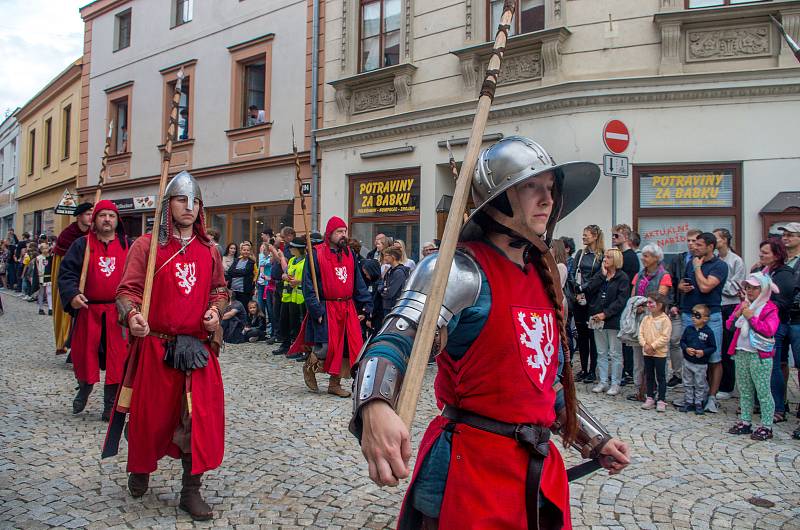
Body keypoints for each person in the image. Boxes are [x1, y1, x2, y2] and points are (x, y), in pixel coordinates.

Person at [349, 137, 629, 529]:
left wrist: (594, 439)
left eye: (550, 188)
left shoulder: (545, 278)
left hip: (536, 480)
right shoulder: (460, 271)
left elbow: (544, 386)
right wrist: (375, 407)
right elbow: (396, 339)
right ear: (500, 198)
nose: (546, 199)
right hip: (471, 473)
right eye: (532, 186)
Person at [104, 170, 228, 521]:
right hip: (156, 349)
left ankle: (191, 490)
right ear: (167, 204)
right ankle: (140, 468)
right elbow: (126, 291)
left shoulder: (209, 250)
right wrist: (132, 317)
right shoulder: (146, 247)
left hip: (197, 350)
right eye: (181, 199)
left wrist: (214, 312)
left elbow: (219, 290)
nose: (188, 207)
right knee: (150, 419)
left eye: (195, 201)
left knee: (198, 420)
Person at [58, 200, 132, 420]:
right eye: (102, 215)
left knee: (118, 360)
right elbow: (67, 273)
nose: (107, 219)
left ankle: (110, 405)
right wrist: (72, 295)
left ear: (117, 220)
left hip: (118, 313)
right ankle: (85, 387)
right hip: (89, 310)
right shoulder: (82, 244)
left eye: (111, 215)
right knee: (84, 356)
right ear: (95, 219)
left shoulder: (128, 245)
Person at [291, 216, 373, 397]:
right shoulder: (316, 254)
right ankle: (309, 367)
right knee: (326, 348)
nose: (343, 235)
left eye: (345, 231)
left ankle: (334, 384)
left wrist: (366, 304)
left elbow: (358, 282)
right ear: (330, 234)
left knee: (346, 347)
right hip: (326, 307)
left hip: (347, 307)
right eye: (339, 232)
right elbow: (308, 285)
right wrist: (315, 309)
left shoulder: (349, 254)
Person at [726, 272, 779, 441]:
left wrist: (751, 317)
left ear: (763, 289)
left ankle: (766, 425)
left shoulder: (770, 307)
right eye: (747, 287)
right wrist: (737, 315)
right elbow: (729, 326)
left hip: (759, 354)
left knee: (763, 391)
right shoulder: (743, 305)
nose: (749, 291)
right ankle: (746, 421)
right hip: (741, 351)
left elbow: (769, 329)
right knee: (745, 390)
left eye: (754, 288)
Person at [678, 232, 727, 413]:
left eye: (699, 245)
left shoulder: (719, 266)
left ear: (710, 246)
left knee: (713, 358)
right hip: (689, 313)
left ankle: (711, 398)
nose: (694, 247)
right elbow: (683, 283)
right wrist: (681, 287)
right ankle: (691, 397)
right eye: (694, 244)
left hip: (710, 315)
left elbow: (706, 287)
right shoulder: (691, 262)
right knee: (689, 354)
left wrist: (698, 268)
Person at [753, 238, 794, 423]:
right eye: (761, 252)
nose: (762, 255)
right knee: (758, 366)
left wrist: (760, 303)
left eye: (766, 252)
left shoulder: (784, 274)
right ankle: (761, 403)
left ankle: (778, 408)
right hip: (757, 323)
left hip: (775, 326)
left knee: (773, 367)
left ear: (777, 255)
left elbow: (783, 302)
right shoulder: (761, 271)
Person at [580, 248, 629, 396]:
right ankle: (602, 381)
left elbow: (621, 301)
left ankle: (615, 382)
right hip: (596, 318)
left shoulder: (622, 278)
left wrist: (606, 314)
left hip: (612, 319)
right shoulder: (601, 275)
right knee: (601, 352)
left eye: (608, 258)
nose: (604, 260)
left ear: (615, 260)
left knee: (615, 352)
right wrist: (601, 276)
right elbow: (589, 289)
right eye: (604, 257)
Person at [627, 243, 672, 402]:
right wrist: (636, 306)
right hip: (640, 318)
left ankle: (657, 392)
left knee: (657, 355)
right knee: (639, 357)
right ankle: (639, 389)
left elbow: (660, 297)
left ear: (656, 258)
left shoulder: (664, 275)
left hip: (657, 319)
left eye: (646, 256)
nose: (643, 258)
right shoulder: (639, 275)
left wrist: (644, 304)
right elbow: (632, 296)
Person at [52, 203, 94, 354]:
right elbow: (64, 266)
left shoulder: (94, 233)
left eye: (92, 214)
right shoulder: (67, 235)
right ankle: (64, 341)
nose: (91, 217)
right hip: (71, 275)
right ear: (78, 216)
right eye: (87, 214)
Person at [569, 224, 605, 384]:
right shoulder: (580, 254)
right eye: (583, 235)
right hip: (579, 299)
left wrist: (585, 288)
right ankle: (583, 369)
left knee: (592, 336)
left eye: (586, 235)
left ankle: (592, 370)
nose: (583, 237)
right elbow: (572, 272)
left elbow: (599, 277)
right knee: (582, 335)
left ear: (595, 236)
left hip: (593, 299)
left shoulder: (601, 256)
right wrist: (576, 289)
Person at [668, 228, 701, 393]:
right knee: (674, 340)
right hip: (679, 306)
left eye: (694, 240)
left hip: (697, 308)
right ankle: (677, 373)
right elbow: (673, 282)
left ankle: (695, 380)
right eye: (688, 240)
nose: (691, 244)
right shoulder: (679, 259)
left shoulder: (702, 260)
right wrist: (673, 302)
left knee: (693, 343)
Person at [713, 228, 745, 399]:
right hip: (717, 304)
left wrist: (716, 283)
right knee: (716, 345)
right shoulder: (716, 259)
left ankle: (728, 385)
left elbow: (736, 287)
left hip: (730, 306)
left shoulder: (736, 261)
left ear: (725, 240)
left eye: (717, 238)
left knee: (727, 346)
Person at [613, 224, 640, 386]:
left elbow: (629, 283)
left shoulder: (630, 257)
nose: (614, 238)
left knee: (626, 339)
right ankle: (625, 370)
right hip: (618, 300)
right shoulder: (620, 255)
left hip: (624, 301)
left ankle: (628, 371)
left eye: (617, 236)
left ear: (626, 237)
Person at [780, 223, 800, 436]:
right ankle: (781, 402)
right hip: (780, 317)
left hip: (796, 316)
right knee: (781, 362)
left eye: (791, 235)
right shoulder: (781, 262)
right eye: (784, 235)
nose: (786, 238)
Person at [679, 304, 716, 415]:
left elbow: (713, 347)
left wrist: (703, 352)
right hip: (688, 361)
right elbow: (682, 341)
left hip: (701, 363)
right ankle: (689, 401)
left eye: (697, 315)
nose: (694, 318)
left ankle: (699, 402)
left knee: (700, 383)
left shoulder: (708, 332)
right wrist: (686, 349)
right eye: (693, 315)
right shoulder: (689, 329)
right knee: (687, 382)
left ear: (705, 318)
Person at [639, 293, 672, 412]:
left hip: (659, 353)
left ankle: (661, 399)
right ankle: (650, 397)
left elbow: (665, 337)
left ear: (659, 305)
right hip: (647, 352)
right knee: (649, 375)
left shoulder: (665, 320)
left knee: (661, 376)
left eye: (650, 302)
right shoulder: (646, 318)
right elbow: (641, 334)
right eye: (647, 303)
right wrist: (645, 345)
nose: (648, 305)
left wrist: (653, 346)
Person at [280, 236, 307, 359]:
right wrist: (285, 275)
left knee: (300, 324)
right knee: (289, 322)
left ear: (298, 249)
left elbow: (309, 278)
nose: (290, 249)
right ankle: (289, 346)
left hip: (301, 297)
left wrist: (299, 282)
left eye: (292, 247)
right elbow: (287, 271)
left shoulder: (306, 261)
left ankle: (301, 349)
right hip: (290, 296)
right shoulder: (292, 260)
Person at [380, 246, 410, 319]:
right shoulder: (390, 270)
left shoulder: (399, 272)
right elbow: (382, 285)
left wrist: (384, 290)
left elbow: (390, 293)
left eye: (386, 255)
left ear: (393, 256)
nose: (384, 258)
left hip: (393, 307)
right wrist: (383, 289)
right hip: (387, 306)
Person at [227, 240, 256, 307]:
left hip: (244, 291)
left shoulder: (251, 262)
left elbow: (245, 272)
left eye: (247, 250)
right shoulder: (236, 260)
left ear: (250, 252)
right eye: (244, 250)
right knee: (233, 308)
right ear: (241, 251)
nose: (246, 251)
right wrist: (241, 272)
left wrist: (236, 271)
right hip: (233, 290)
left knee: (244, 309)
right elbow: (230, 272)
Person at [34, 242, 54, 315]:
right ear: (41, 249)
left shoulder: (51, 257)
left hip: (49, 276)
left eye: (47, 248)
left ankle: (50, 308)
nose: (46, 250)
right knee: (41, 293)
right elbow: (36, 269)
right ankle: (41, 308)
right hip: (41, 277)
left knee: (49, 292)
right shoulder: (38, 258)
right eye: (44, 248)